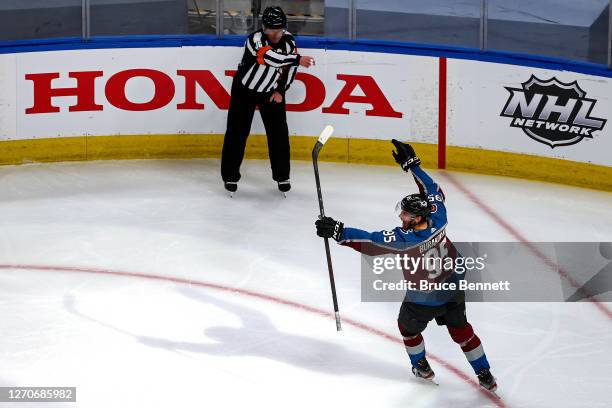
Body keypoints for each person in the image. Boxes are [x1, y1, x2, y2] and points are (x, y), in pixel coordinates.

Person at [314, 140, 498, 393]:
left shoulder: (405, 241)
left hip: (423, 298)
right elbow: (431, 188)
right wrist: (413, 166)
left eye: (406, 215)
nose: (401, 217)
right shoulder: (439, 217)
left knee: (407, 329)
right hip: (453, 287)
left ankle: (421, 365)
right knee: (462, 332)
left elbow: (370, 241)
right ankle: (484, 373)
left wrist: (339, 231)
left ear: (417, 218)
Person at [221, 6, 315, 196]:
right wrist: (297, 59)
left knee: (278, 134)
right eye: (272, 31)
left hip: (270, 92)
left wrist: (281, 90)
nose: (275, 35)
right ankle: (230, 175)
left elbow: (289, 69)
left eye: (279, 30)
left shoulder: (289, 42)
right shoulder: (254, 40)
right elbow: (269, 58)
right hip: (244, 91)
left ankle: (282, 176)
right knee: (237, 133)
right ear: (264, 28)